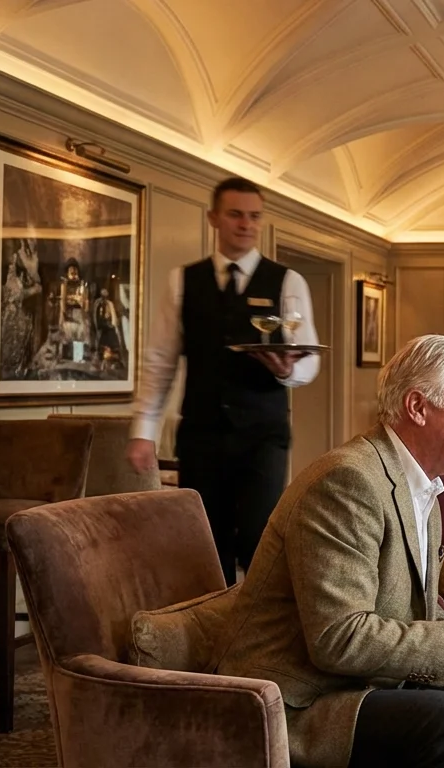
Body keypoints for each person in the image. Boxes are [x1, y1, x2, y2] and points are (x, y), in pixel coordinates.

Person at [214, 334, 444, 768]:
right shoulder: (346, 483)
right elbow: (338, 639)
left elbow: (407, 605)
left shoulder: (422, 483)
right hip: (304, 699)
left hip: (369, 677)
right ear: (417, 407)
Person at [126, 177, 320, 585]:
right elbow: (160, 360)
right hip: (202, 432)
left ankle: (258, 632)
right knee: (205, 541)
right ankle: (210, 632)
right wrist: (143, 431)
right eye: (235, 214)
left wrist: (287, 370)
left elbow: (309, 358)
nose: (245, 224)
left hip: (262, 434)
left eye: (254, 216)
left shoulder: (287, 281)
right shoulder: (184, 281)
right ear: (214, 217)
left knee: (257, 536)